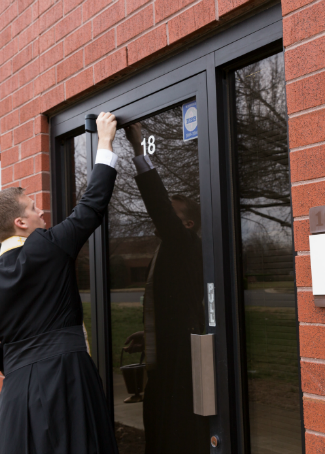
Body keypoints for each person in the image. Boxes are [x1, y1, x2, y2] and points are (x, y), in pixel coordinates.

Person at [0, 112, 120, 454]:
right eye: (34, 208)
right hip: (69, 378)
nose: (42, 214)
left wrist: (21, 357)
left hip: (18, 395)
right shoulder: (47, 247)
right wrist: (105, 142)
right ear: (20, 222)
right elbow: (92, 206)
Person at [122, 125, 208, 453]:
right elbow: (174, 301)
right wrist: (149, 334)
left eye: (171, 215)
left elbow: (157, 203)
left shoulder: (185, 242)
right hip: (169, 347)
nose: (161, 218)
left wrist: (138, 150)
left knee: (177, 431)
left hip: (182, 357)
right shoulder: (172, 248)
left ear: (186, 224)